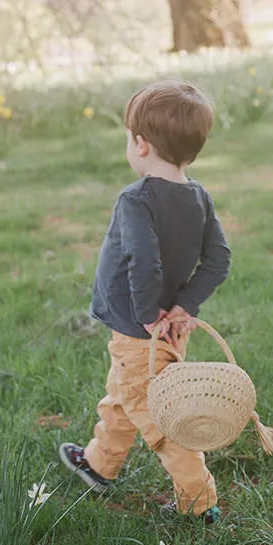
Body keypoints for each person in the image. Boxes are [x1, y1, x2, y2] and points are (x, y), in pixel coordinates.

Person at [59, 80, 231, 522]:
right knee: (125, 393)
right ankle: (99, 464)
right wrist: (183, 307)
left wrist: (147, 315)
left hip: (144, 330)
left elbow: (144, 261)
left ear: (141, 143)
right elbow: (218, 259)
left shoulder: (136, 199)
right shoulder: (198, 198)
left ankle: (199, 502)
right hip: (164, 327)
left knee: (160, 420)